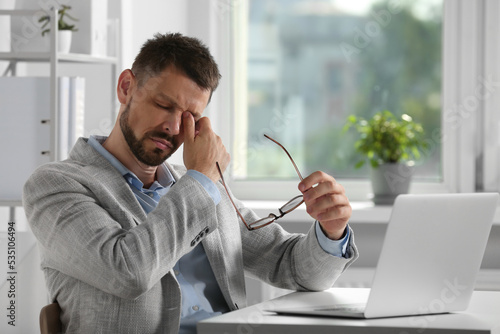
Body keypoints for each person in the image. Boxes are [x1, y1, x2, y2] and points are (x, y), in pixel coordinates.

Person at [23, 32, 359, 334]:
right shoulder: (56, 185)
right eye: (163, 105)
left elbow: (296, 269)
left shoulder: (198, 185)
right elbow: (127, 273)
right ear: (126, 87)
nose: (173, 127)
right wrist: (200, 179)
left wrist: (332, 231)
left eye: (190, 117)